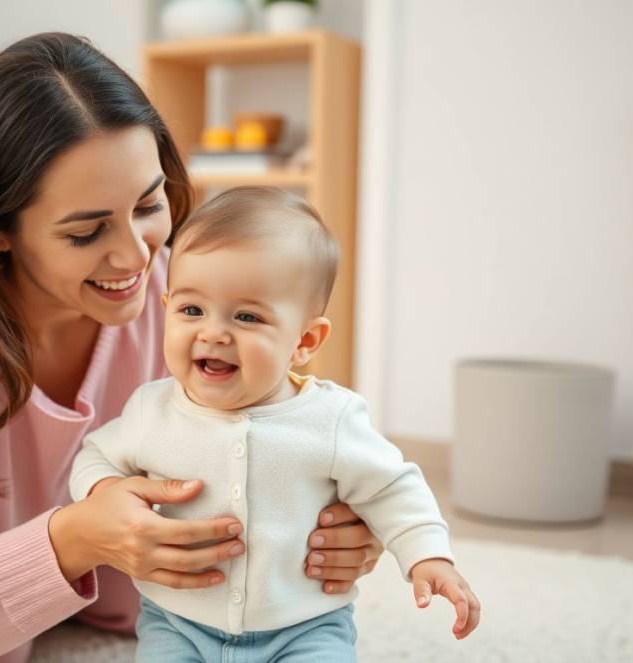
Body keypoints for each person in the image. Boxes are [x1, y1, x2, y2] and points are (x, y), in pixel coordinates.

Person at [0, 33, 386, 663]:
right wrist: (75, 539)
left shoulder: (183, 296)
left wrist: (337, 526)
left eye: (149, 204)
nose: (137, 256)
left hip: (118, 602)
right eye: (87, 232)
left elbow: (275, 435)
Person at [69, 187, 482, 662]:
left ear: (304, 340)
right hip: (178, 623)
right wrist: (103, 491)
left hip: (302, 627)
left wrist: (428, 556)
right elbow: (94, 456)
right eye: (191, 310)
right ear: (167, 308)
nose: (213, 332)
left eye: (247, 316)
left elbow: (393, 488)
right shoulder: (151, 409)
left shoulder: (332, 419)